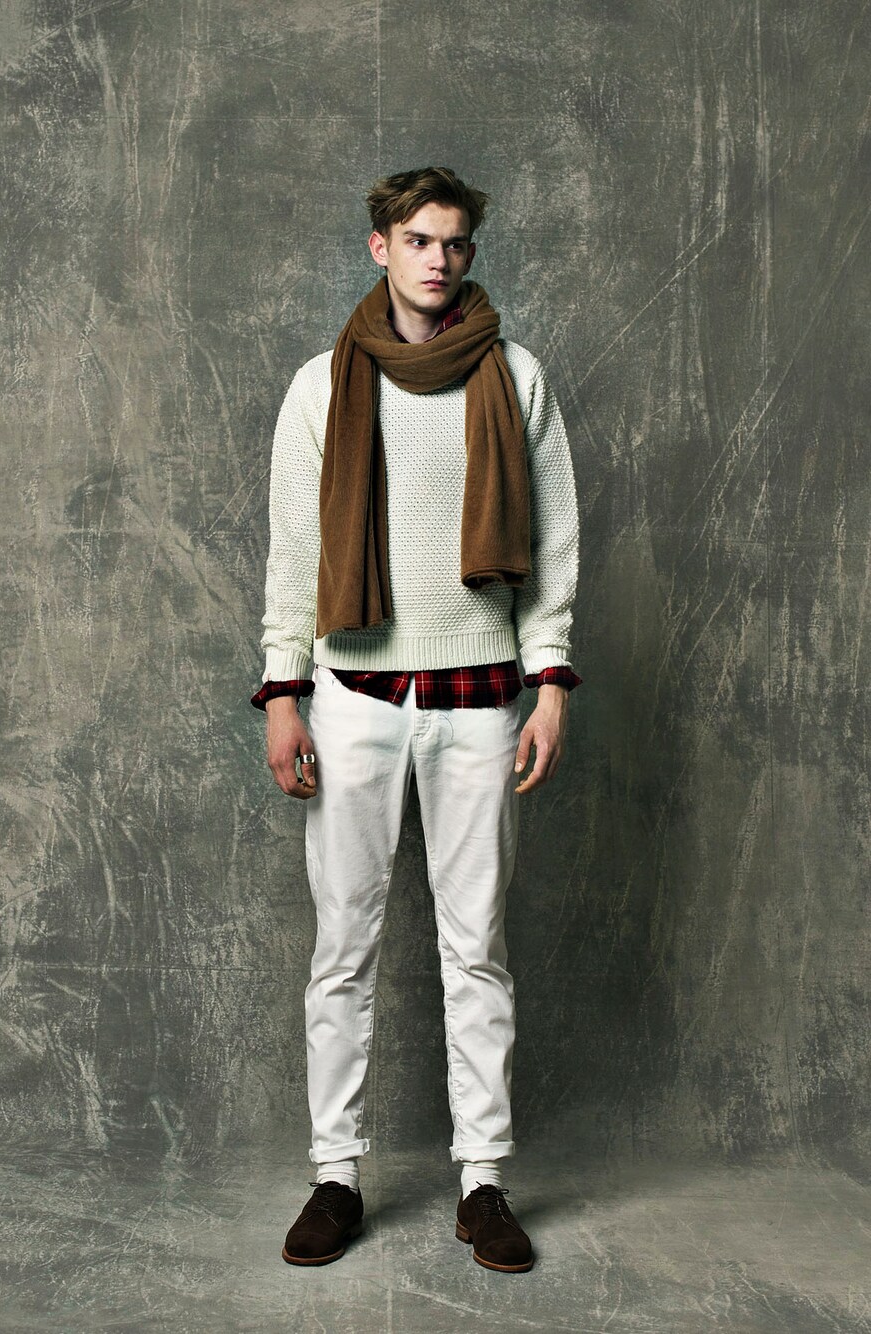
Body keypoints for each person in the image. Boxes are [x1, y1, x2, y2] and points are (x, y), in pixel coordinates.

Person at [251, 166, 581, 1273]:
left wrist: (550, 683)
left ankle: (483, 1181)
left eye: (456, 243)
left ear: (469, 254)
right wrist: (283, 694)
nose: (439, 258)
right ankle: (335, 1177)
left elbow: (554, 546)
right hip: (354, 697)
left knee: (475, 950)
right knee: (342, 946)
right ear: (380, 248)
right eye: (420, 239)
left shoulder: (515, 376)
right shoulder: (322, 387)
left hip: (482, 701)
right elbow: (295, 553)